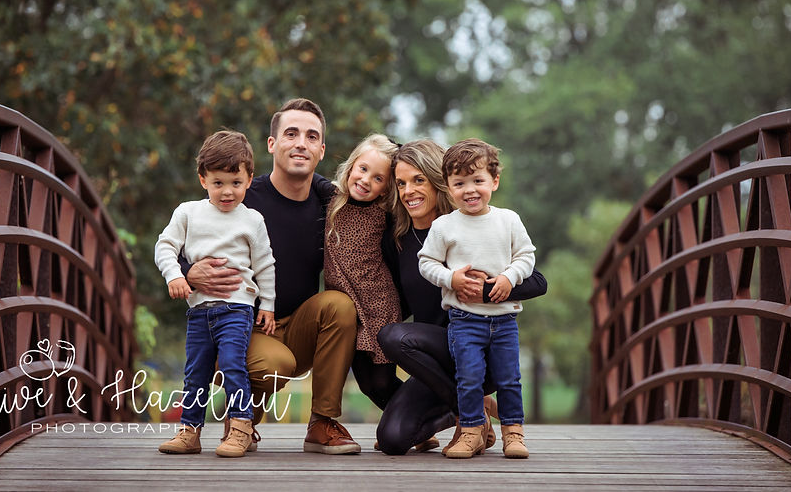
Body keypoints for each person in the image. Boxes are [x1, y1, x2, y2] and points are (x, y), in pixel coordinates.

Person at [182, 98, 361, 455]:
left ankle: (323, 423)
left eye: (312, 137)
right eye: (291, 133)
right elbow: (184, 241)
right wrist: (189, 272)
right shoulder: (243, 198)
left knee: (340, 306)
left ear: (321, 150)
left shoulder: (331, 203)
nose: (300, 143)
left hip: (300, 328)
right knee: (278, 365)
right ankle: (242, 418)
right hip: (243, 326)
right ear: (271, 144)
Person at [375, 139, 547, 456]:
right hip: (438, 363)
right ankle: (469, 410)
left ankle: (474, 418)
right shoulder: (398, 241)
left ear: (437, 180)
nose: (408, 191)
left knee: (395, 336)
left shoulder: (469, 224)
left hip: (483, 344)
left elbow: (538, 281)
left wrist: (484, 289)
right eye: (401, 183)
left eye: (418, 180)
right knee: (392, 439)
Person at [155, 130, 276, 457]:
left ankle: (240, 429)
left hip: (237, 310)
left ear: (249, 179)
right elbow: (164, 246)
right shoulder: (188, 213)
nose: (227, 191)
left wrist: (268, 305)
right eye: (218, 182)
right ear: (203, 179)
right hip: (199, 311)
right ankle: (189, 432)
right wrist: (175, 275)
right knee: (195, 372)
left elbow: (265, 264)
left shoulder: (252, 219)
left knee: (234, 366)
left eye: (236, 183)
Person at [418, 138, 534, 459]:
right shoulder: (444, 226)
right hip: (465, 319)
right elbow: (426, 263)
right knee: (469, 378)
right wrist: (451, 278)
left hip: (504, 319)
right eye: (460, 183)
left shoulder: (508, 220)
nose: (470, 190)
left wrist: (510, 277)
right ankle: (471, 430)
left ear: (494, 181)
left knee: (510, 378)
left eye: (478, 181)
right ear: (448, 186)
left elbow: (526, 256)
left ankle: (514, 432)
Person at [322, 134, 404, 413]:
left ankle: (448, 413)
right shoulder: (329, 198)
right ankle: (419, 425)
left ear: (385, 188)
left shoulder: (384, 213)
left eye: (378, 178)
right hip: (349, 314)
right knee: (367, 385)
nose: (366, 180)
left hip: (379, 306)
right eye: (363, 169)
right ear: (351, 166)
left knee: (382, 382)